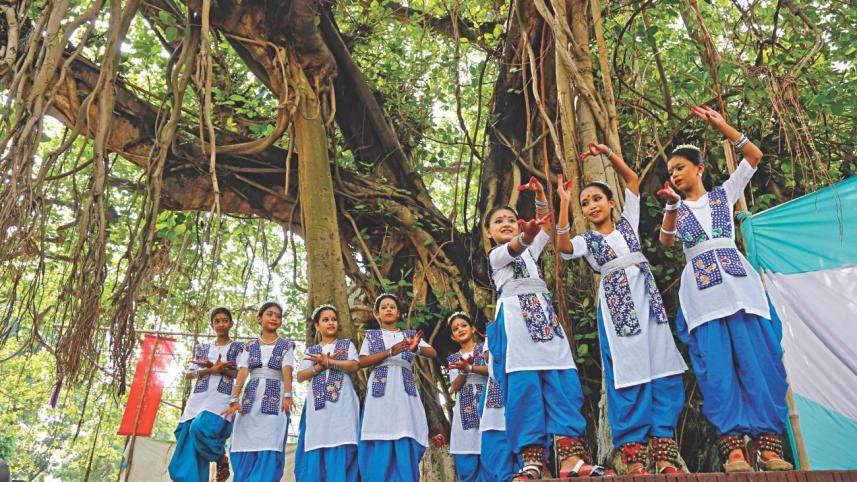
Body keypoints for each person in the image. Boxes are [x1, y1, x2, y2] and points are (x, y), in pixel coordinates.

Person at [658, 105, 792, 472]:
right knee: (717, 371)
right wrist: (670, 207)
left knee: (760, 365)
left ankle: (768, 447)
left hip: (743, 293)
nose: (675, 175)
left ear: (699, 168)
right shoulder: (675, 207)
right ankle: (734, 449)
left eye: (680, 167)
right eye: (670, 172)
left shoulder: (722, 195)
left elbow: (753, 156)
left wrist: (724, 126)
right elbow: (667, 242)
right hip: (703, 300)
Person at [557, 145, 688, 474]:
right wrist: (562, 202)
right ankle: (634, 456)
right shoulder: (587, 240)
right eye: (585, 203)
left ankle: (664, 454)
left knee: (662, 368)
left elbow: (631, 178)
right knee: (628, 373)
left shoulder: (628, 223)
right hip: (617, 307)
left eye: (596, 199)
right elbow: (562, 246)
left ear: (611, 202)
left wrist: (607, 153)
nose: (591, 206)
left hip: (648, 301)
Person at [484, 177, 609, 480]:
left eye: (512, 219)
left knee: (562, 384)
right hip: (515, 326)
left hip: (546, 323)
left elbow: (540, 223)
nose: (506, 223)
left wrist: (542, 194)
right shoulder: (497, 256)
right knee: (524, 392)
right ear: (488, 232)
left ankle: (572, 461)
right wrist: (525, 236)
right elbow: (517, 245)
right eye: (498, 221)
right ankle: (531, 465)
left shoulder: (531, 252)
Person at [357, 293, 437, 482]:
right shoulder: (372, 336)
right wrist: (389, 352)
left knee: (405, 431)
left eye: (392, 306)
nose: (388, 309)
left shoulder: (408, 335)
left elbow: (432, 352)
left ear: (399, 313)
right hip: (380, 393)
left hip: (404, 393)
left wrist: (416, 348)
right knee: (379, 432)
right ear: (377, 314)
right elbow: (362, 361)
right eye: (384, 307)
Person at [223, 302, 296, 481]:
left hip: (275, 398)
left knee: (270, 445)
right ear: (259, 318)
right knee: (243, 444)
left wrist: (287, 395)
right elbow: (242, 372)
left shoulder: (286, 345)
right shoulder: (249, 346)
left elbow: (287, 369)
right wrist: (234, 399)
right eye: (270, 314)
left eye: (278, 316)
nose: (274, 318)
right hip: (250, 399)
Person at [168, 307, 242, 482]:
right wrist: (210, 369)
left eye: (225, 320)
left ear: (231, 323)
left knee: (200, 428)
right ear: (212, 325)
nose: (221, 324)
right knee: (187, 455)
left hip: (220, 401)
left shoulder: (238, 348)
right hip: (197, 400)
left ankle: (220, 458)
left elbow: (241, 374)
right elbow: (189, 374)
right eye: (217, 321)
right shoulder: (202, 348)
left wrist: (222, 369)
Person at [294, 304, 360, 482]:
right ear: (317, 326)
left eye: (334, 319)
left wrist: (330, 362)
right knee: (317, 446)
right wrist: (319, 366)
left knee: (343, 447)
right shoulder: (312, 351)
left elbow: (354, 365)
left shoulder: (346, 345)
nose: (331, 322)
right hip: (318, 411)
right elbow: (300, 376)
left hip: (343, 406)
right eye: (325, 319)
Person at [445, 312, 489, 482]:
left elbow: (493, 371)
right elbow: (454, 387)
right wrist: (463, 371)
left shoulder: (484, 349)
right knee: (467, 466)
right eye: (456, 329)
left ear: (473, 328)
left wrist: (470, 367)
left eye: (463, 325)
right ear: (453, 337)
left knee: (490, 460)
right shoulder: (453, 359)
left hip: (487, 406)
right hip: (464, 413)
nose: (460, 329)